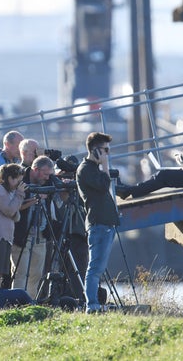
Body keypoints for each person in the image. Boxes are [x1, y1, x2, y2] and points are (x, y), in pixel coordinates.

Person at [116, 111, 183, 200]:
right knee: (163, 176)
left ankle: (130, 191)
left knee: (164, 175)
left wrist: (177, 156)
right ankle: (131, 190)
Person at [76, 132, 120, 314]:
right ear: (95, 150)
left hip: (106, 223)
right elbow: (103, 186)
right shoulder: (86, 169)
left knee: (98, 268)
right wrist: (105, 165)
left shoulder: (94, 169)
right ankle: (91, 305)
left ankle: (94, 303)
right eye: (105, 150)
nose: (107, 154)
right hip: (98, 224)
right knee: (94, 268)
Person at [11, 156, 55, 299]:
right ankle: (16, 302)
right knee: (20, 272)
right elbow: (13, 207)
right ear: (35, 169)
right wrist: (34, 199)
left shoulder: (48, 181)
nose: (47, 178)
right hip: (22, 233)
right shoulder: (20, 179)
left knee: (36, 273)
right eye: (45, 174)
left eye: (50, 174)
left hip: (40, 233)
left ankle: (30, 303)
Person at [0, 163, 27, 289]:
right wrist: (19, 195)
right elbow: (9, 210)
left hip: (5, 238)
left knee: (1, 273)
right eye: (18, 180)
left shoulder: (7, 191)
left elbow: (15, 215)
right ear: (10, 178)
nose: (20, 184)